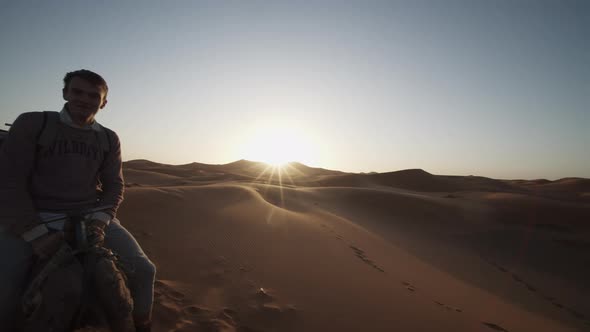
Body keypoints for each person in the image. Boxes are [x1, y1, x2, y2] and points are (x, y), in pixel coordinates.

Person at [0, 69, 156, 332]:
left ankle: (143, 324)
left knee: (144, 270)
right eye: (77, 92)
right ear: (65, 93)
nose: (84, 99)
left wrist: (101, 221)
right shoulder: (33, 123)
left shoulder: (108, 138)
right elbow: (9, 183)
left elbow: (114, 185)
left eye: (94, 95)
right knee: (6, 285)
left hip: (88, 216)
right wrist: (35, 234)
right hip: (34, 216)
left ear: (103, 102)